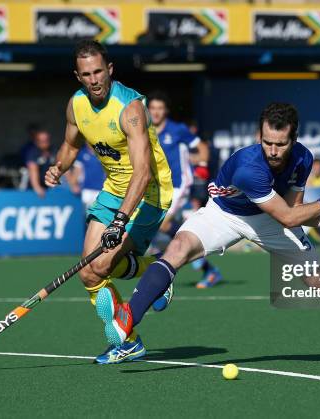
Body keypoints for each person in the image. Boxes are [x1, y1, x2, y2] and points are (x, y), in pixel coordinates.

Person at [95, 103, 320, 364]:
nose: (273, 151)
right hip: (225, 213)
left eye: (281, 144)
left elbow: (295, 210)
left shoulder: (302, 159)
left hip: (269, 218)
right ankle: (128, 318)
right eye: (267, 142)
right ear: (259, 136)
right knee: (177, 249)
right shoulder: (250, 168)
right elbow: (289, 217)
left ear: (294, 139)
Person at [43, 40, 174, 364]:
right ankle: (131, 337)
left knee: (101, 265)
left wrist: (119, 221)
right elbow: (70, 146)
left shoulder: (129, 109)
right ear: (78, 76)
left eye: (99, 71)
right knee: (88, 275)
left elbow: (143, 173)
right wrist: (59, 167)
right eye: (86, 74)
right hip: (113, 189)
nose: (94, 79)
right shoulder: (76, 106)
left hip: (149, 194)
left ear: (110, 70)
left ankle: (160, 272)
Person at [147, 91, 223, 289]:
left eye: (159, 109)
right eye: (152, 108)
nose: (155, 113)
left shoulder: (178, 129)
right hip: (159, 187)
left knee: (163, 224)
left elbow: (203, 149)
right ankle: (208, 268)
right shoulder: (146, 130)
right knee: (169, 230)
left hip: (180, 184)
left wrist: (198, 163)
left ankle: (199, 264)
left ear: (166, 111)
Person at [27, 129, 57, 198]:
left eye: (47, 140)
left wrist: (72, 184)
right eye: (42, 141)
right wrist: (37, 188)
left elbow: (64, 168)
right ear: (37, 141)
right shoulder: (33, 153)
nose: (45, 143)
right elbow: (33, 171)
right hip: (34, 189)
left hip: (51, 186)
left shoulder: (54, 151)